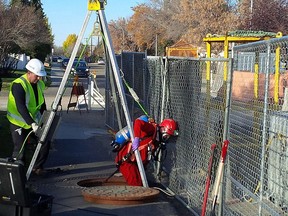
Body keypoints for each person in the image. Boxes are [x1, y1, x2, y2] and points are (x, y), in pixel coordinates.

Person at [6, 58, 48, 175]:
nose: (39, 78)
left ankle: (37, 168)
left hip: (32, 121)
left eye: (40, 76)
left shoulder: (39, 84)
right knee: (20, 150)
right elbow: (21, 107)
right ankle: (17, 176)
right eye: (37, 75)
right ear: (29, 72)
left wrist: (45, 119)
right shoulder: (18, 85)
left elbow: (42, 104)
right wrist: (32, 123)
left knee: (44, 142)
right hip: (18, 122)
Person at [114, 116, 179, 186]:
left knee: (141, 183)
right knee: (136, 185)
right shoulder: (152, 129)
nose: (166, 139)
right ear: (163, 130)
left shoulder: (156, 140)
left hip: (135, 163)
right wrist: (137, 138)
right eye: (166, 136)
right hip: (126, 161)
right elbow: (138, 123)